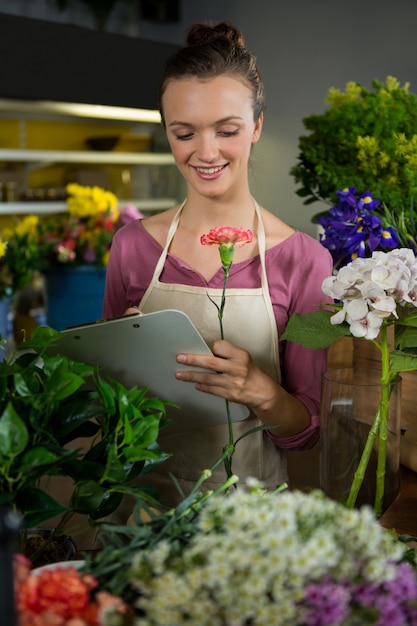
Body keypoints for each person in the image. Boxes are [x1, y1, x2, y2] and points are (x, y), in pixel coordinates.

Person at [102, 21, 333, 508]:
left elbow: (308, 430)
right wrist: (118, 368)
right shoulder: (131, 247)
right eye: (183, 133)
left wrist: (262, 392)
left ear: (257, 126)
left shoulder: (305, 261)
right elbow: (105, 408)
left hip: (251, 523)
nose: (205, 153)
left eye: (226, 130)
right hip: (140, 516)